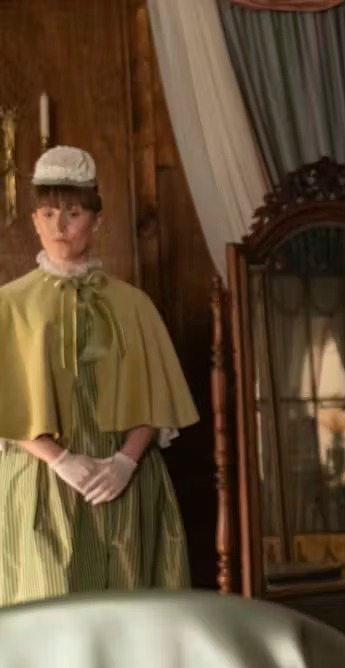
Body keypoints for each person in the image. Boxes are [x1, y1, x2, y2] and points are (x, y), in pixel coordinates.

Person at [0, 146, 199, 607]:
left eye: (73, 213)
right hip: (42, 485)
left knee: (129, 612)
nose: (60, 226)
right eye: (48, 214)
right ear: (34, 221)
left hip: (124, 483)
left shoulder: (134, 305)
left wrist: (125, 462)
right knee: (48, 614)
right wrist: (59, 460)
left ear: (97, 221)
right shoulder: (9, 305)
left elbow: (157, 396)